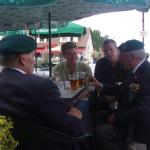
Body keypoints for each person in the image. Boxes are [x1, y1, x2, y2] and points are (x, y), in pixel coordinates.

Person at [0, 35, 89, 149]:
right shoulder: (41, 85)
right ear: (23, 58)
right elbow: (68, 127)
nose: (34, 61)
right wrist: (77, 118)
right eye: (33, 55)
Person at [92, 39, 150, 150]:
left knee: (100, 133)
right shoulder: (134, 70)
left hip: (137, 124)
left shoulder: (147, 74)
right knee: (97, 117)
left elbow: (144, 109)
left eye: (122, 56)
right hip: (126, 113)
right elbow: (121, 88)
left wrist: (117, 117)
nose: (120, 59)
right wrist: (102, 86)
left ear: (132, 57)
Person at [90, 39, 127, 127]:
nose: (108, 53)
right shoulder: (100, 63)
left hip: (122, 96)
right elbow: (97, 83)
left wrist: (116, 98)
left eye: (111, 50)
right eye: (105, 51)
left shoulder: (125, 63)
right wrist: (107, 97)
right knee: (93, 105)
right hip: (105, 95)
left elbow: (127, 85)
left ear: (117, 50)